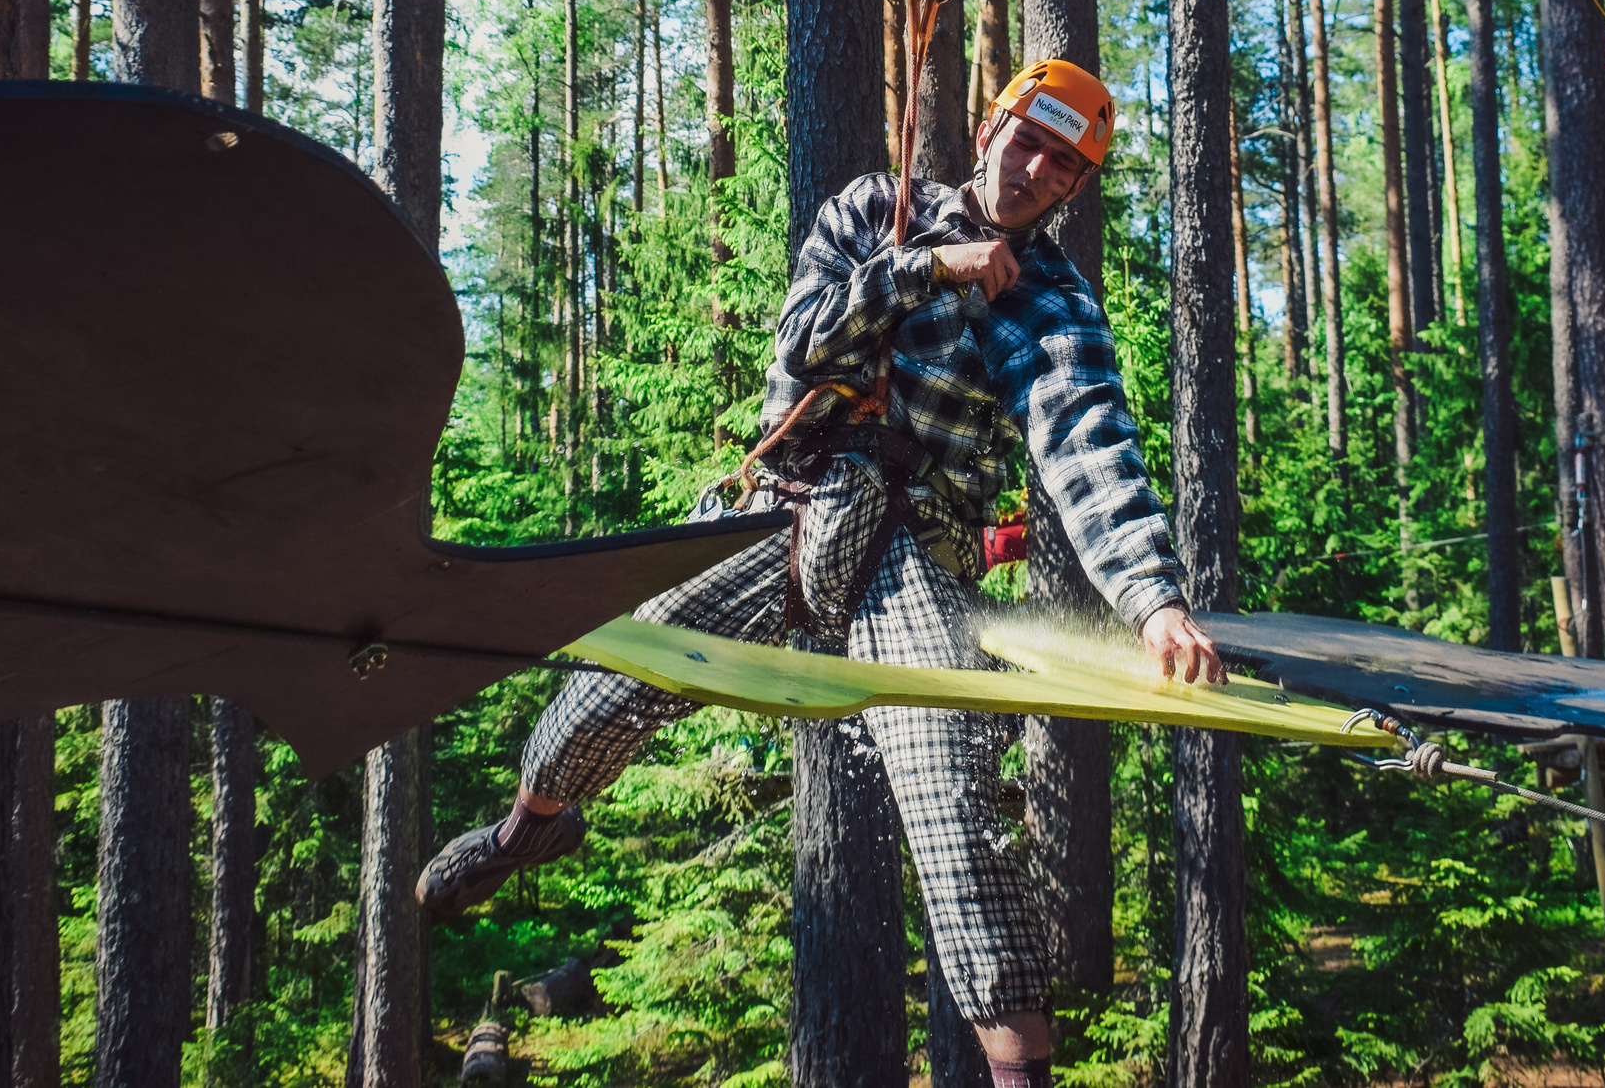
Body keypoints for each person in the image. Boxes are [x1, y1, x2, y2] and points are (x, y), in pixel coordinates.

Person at [414, 58, 1226, 1088]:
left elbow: (1089, 447)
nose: (1032, 171)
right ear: (989, 128)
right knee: (608, 690)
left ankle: (1019, 1072)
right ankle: (525, 829)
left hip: (910, 555)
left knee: (951, 805)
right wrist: (930, 269)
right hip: (783, 509)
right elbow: (804, 343)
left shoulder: (1053, 306)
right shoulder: (875, 210)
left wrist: (1152, 599)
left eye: (1061, 165)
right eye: (1026, 140)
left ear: (1074, 187)